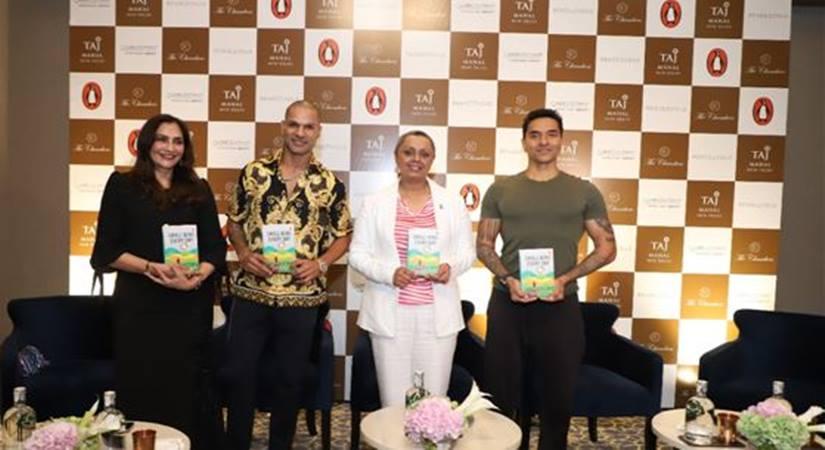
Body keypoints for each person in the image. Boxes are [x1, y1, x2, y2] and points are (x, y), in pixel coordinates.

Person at [477, 108, 616, 450]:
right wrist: (508, 279)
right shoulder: (501, 188)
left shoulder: (583, 191)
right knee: (502, 392)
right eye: (535, 134)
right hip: (508, 302)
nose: (543, 141)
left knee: (558, 395)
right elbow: (484, 245)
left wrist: (564, 279)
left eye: (551, 134)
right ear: (524, 141)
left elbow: (607, 248)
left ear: (561, 140)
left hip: (560, 305)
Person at [90, 113, 226, 449]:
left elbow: (215, 248)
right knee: (143, 388)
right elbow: (105, 253)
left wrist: (199, 276)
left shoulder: (199, 189)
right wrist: (152, 267)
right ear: (146, 142)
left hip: (188, 308)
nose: (170, 148)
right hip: (140, 310)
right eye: (162, 139)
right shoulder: (122, 186)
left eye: (177, 141)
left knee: (188, 389)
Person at [224, 100, 352, 450]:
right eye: (293, 125)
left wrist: (322, 263)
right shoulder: (253, 172)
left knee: (290, 381)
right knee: (239, 376)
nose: (300, 133)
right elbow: (233, 222)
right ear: (282, 127)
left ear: (318, 132)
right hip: (251, 293)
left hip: (302, 297)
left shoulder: (330, 183)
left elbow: (344, 234)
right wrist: (245, 253)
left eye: (308, 127)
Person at [350, 131, 475, 406]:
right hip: (390, 315)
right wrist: (389, 273)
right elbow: (357, 254)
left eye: (424, 153)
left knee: (434, 402)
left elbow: (468, 252)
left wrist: (449, 268)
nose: (416, 159)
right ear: (396, 157)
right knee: (394, 403)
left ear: (432, 160)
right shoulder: (374, 202)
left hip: (437, 314)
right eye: (408, 152)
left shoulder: (452, 202)